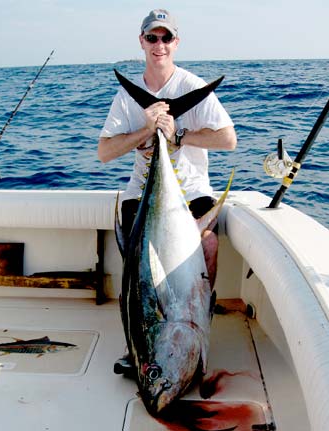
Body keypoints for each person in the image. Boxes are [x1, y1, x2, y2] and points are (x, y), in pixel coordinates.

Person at [98, 9, 236, 287]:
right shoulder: (127, 95)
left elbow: (228, 140)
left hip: (192, 191)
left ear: (176, 42)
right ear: (142, 41)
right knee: (140, 262)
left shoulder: (192, 87)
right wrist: (147, 129)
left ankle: (201, 313)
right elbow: (104, 153)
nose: (159, 45)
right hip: (141, 193)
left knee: (208, 244)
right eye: (152, 38)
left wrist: (179, 136)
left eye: (166, 38)